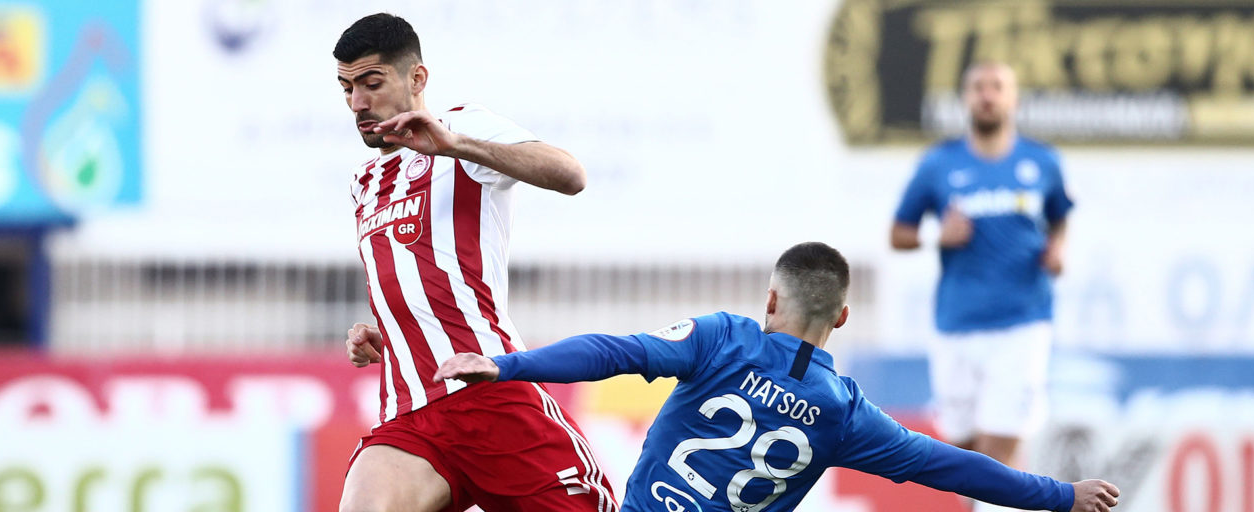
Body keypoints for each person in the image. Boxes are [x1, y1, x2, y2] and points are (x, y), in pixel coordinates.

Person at [437, 242, 1118, 512]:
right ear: (842, 316)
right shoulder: (843, 413)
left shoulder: (721, 339)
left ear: (770, 299)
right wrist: (1061, 496)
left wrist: (508, 364)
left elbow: (615, 352)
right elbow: (949, 467)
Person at [333, 13, 616, 512]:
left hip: (489, 394)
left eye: (371, 84)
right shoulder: (365, 181)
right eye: (347, 88)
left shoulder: (462, 127)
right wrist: (394, 333)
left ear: (417, 78)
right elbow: (420, 274)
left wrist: (455, 145)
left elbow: (571, 175)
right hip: (410, 412)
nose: (358, 103)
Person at [889, 61, 1073, 481]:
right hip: (956, 323)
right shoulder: (939, 164)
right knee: (965, 451)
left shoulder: (1042, 161)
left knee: (997, 449)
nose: (987, 95)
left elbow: (1060, 217)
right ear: (965, 98)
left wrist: (1058, 249)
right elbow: (899, 233)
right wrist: (937, 236)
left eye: (997, 87)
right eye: (978, 87)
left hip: (1022, 322)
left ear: (1014, 99)